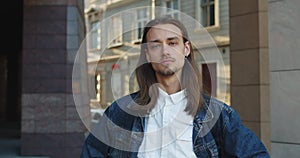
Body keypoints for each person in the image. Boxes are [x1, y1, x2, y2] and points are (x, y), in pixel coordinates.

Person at [81, 15, 270, 157]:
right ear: (147, 54)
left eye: (172, 43)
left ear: (186, 49)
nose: (165, 51)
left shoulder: (218, 115)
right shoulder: (119, 113)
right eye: (156, 45)